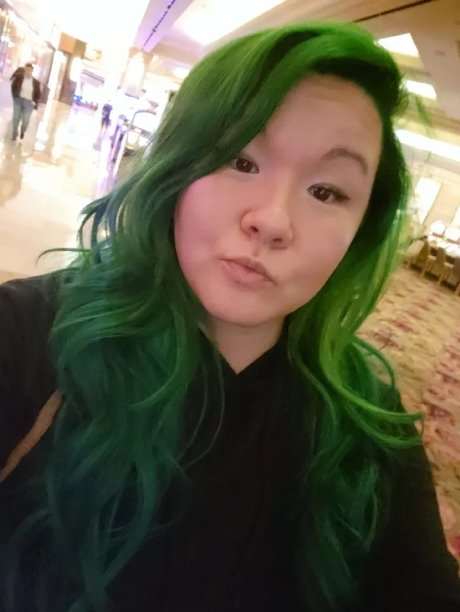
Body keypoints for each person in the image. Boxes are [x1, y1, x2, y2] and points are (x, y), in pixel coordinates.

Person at [0, 22, 459, 612]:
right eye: (241, 160)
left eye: (327, 192)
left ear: (360, 231)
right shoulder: (30, 337)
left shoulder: (368, 426)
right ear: (178, 164)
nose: (272, 220)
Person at [9, 63, 41, 141]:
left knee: (26, 120)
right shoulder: (19, 78)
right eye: (26, 69)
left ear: (32, 71)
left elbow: (38, 94)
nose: (27, 71)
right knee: (16, 117)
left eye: (29, 70)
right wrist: (14, 96)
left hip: (29, 103)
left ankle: (23, 130)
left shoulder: (36, 82)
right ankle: (14, 132)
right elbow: (13, 86)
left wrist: (35, 101)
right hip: (18, 100)